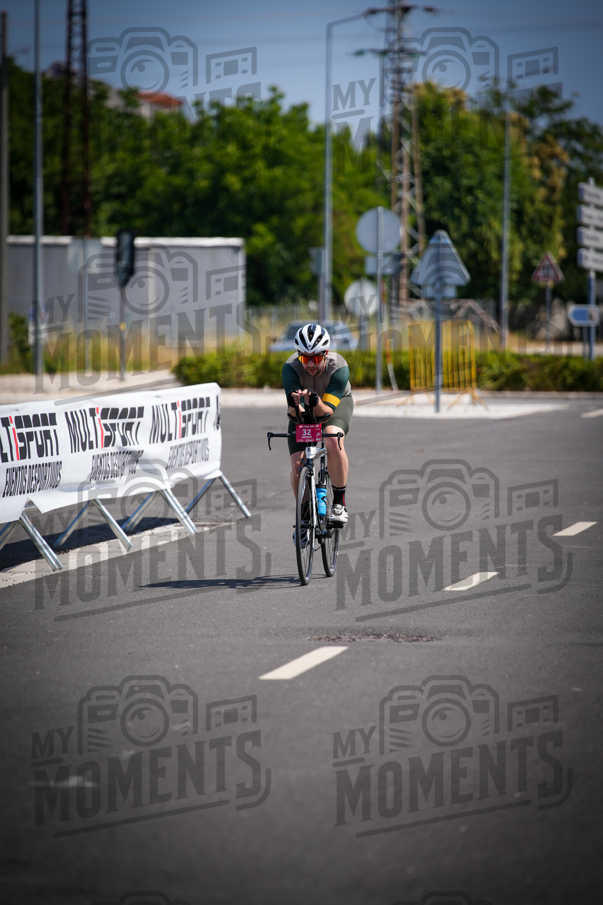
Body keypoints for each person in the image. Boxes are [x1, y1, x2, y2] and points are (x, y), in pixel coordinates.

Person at [281, 323, 353, 543]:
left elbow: (325, 414)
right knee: (298, 464)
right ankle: (304, 515)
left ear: (326, 354)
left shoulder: (339, 367)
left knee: (331, 438)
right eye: (305, 358)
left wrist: (316, 401)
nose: (310, 364)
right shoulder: (290, 368)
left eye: (316, 358)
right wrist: (298, 406)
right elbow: (295, 414)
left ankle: (339, 502)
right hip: (303, 410)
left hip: (335, 406)